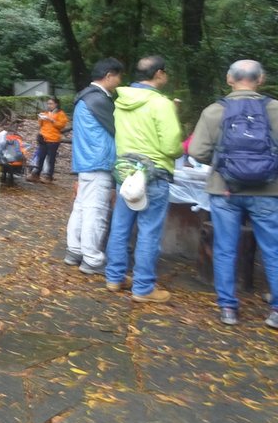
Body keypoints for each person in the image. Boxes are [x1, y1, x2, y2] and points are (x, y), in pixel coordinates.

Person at [188, 60, 278, 328]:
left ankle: (228, 308)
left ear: (229, 79)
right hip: (267, 191)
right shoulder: (275, 109)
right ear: (260, 79)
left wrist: (224, 164)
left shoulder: (214, 110)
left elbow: (197, 151)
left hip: (224, 189)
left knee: (225, 249)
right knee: (273, 250)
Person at [104, 56, 183, 302]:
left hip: (126, 172)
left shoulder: (120, 100)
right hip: (153, 174)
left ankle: (114, 277)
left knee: (120, 226)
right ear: (159, 73)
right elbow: (171, 147)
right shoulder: (161, 104)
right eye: (165, 72)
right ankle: (143, 288)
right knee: (149, 231)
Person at [64, 58, 124, 276]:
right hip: (99, 162)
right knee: (95, 211)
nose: (119, 82)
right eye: (119, 77)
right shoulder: (99, 99)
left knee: (81, 207)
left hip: (86, 161)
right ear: (109, 75)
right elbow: (119, 129)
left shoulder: (85, 97)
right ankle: (92, 259)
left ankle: (74, 250)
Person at [27, 97, 69, 183]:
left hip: (53, 139)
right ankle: (36, 174)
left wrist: (52, 120)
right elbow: (41, 125)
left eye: (51, 103)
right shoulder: (45, 113)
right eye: (48, 104)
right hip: (43, 137)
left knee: (51, 159)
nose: (49, 105)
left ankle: (48, 176)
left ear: (56, 104)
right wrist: (40, 118)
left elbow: (61, 126)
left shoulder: (61, 114)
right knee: (40, 157)